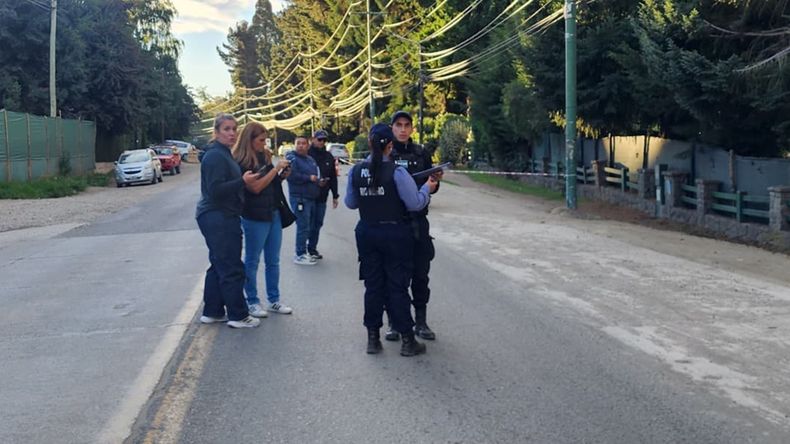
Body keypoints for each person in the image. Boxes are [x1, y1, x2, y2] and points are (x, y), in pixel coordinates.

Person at [345, 123, 439, 356]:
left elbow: (351, 203)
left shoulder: (356, 171)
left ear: (368, 143)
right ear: (390, 145)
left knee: (373, 286)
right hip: (395, 234)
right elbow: (415, 203)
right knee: (397, 286)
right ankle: (408, 340)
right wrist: (427, 187)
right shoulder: (397, 172)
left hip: (367, 232)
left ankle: (373, 339)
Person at [195, 113, 260, 328]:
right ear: (216, 132)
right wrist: (241, 181)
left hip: (222, 215)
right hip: (218, 215)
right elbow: (215, 191)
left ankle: (212, 311)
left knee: (219, 264)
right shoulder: (215, 156)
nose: (232, 133)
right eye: (226, 129)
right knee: (231, 266)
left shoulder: (224, 154)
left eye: (234, 129)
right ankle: (238, 315)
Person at [385, 110, 442, 341]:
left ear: (412, 129)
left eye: (406, 125)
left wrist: (435, 182)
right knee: (395, 276)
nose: (402, 129)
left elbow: (433, 187)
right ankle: (395, 324)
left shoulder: (421, 153)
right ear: (392, 128)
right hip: (394, 223)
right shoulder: (385, 153)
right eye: (398, 125)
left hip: (418, 223)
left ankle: (421, 322)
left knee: (420, 276)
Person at [232, 122, 294, 318]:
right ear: (249, 140)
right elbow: (256, 188)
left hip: (273, 211)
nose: (264, 144)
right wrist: (275, 171)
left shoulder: (265, 156)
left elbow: (269, 185)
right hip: (254, 216)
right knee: (252, 260)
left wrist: (281, 176)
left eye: (265, 140)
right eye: (260, 140)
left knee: (273, 260)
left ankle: (273, 300)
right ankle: (252, 301)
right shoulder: (242, 161)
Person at [285, 136, 321, 265]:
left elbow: (316, 174)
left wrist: (318, 181)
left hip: (311, 198)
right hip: (299, 198)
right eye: (298, 143)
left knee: (309, 226)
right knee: (302, 226)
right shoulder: (292, 158)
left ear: (308, 145)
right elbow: (291, 176)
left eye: (303, 143)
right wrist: (308, 178)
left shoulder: (310, 159)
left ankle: (304, 252)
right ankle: (299, 254)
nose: (301, 146)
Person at [307, 129, 339, 260]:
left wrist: (335, 195)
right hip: (308, 195)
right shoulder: (307, 155)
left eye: (324, 140)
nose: (322, 142)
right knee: (307, 223)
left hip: (322, 196)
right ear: (313, 139)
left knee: (318, 223)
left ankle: (312, 248)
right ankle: (302, 249)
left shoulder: (328, 156)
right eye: (319, 139)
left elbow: (333, 177)